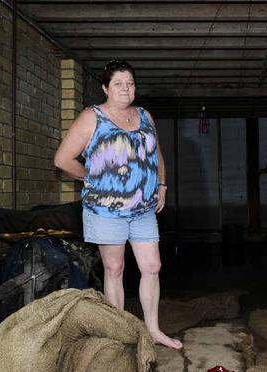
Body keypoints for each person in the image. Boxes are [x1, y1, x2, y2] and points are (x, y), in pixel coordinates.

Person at [54, 60, 182, 349]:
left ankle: (152, 330)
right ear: (105, 88)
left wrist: (162, 184)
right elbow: (62, 159)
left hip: (142, 209)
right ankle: (118, 335)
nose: (125, 89)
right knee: (114, 268)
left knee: (152, 265)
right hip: (105, 210)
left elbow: (156, 154)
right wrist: (91, 177)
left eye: (130, 83)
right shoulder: (93, 117)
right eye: (118, 84)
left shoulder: (145, 115)